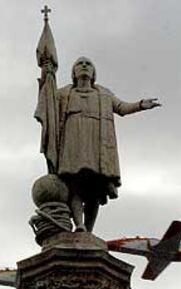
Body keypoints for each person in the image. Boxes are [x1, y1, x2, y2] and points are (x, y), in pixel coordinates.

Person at [36, 56, 161, 232]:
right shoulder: (64, 93)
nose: (84, 66)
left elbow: (122, 108)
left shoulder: (104, 94)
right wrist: (47, 74)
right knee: (75, 185)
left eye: (88, 64)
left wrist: (140, 105)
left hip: (97, 144)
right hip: (73, 141)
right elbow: (48, 101)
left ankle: (88, 229)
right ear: (73, 73)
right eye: (80, 64)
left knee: (95, 190)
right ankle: (79, 225)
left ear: (94, 73)